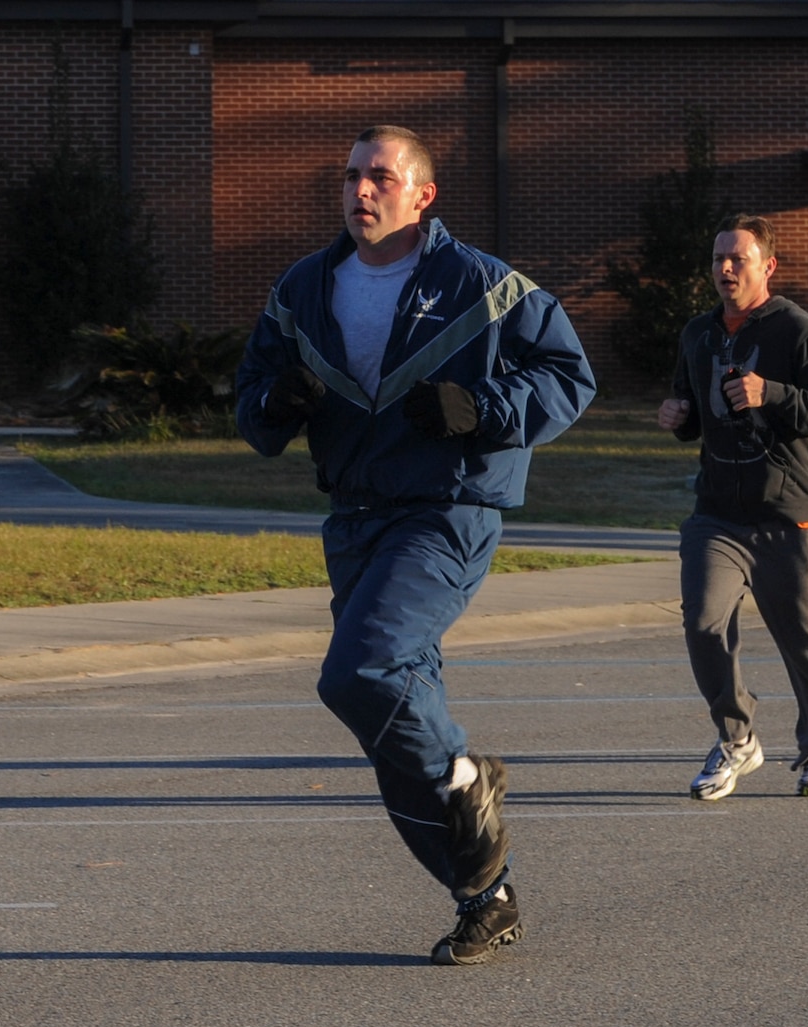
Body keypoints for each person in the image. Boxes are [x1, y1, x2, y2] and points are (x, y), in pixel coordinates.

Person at [236, 125, 595, 965]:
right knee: (383, 717)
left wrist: (481, 409)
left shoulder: (484, 284)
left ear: (422, 194)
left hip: (446, 511)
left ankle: (470, 778)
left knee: (360, 672)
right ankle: (484, 895)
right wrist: (275, 404)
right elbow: (252, 403)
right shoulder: (303, 288)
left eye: (381, 177)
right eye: (352, 176)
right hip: (354, 517)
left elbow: (569, 376)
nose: (362, 190)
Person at [658, 214, 808, 800]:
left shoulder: (798, 331)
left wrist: (769, 392)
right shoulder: (698, 333)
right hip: (717, 513)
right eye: (718, 259)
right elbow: (692, 407)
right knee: (702, 623)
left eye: (736, 259)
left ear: (766, 267)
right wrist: (678, 418)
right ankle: (738, 740)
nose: (724, 269)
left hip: (788, 514)